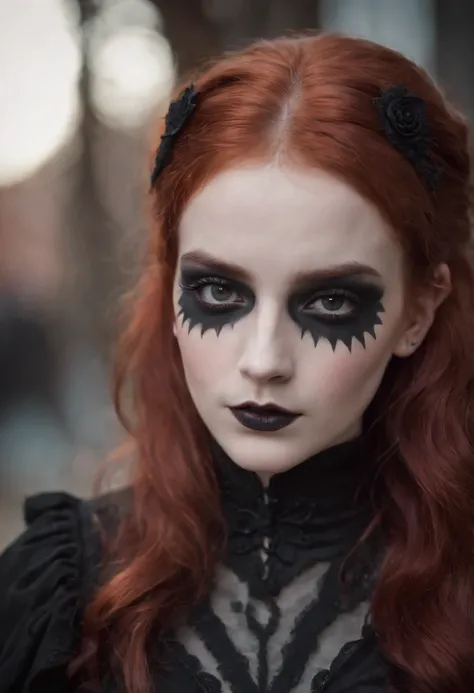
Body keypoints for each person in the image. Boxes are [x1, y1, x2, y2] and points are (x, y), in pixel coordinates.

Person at [1, 32, 473, 693]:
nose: (264, 360)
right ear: (171, 288)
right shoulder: (57, 591)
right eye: (219, 292)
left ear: (419, 311)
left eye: (331, 300)